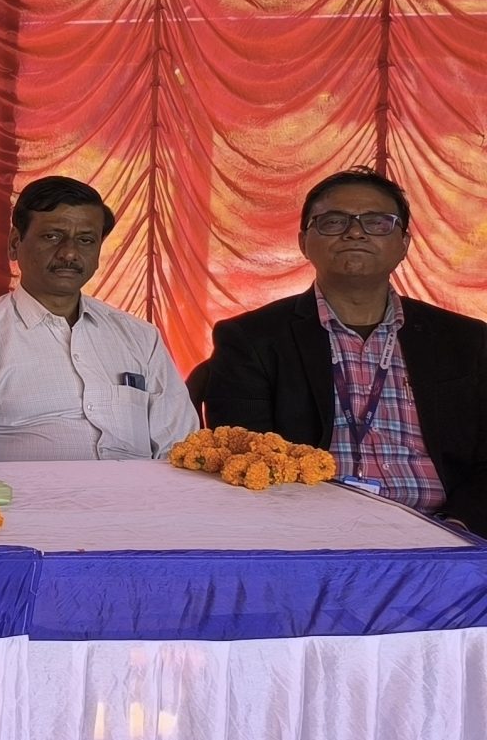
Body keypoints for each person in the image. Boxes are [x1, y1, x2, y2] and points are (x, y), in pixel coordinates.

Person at [208, 168, 485, 525]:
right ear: (303, 242)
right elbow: (247, 458)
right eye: (333, 222)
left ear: (404, 243)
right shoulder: (250, 339)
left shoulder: (466, 340)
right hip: (310, 530)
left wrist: (458, 527)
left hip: (445, 530)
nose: (355, 232)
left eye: (377, 222)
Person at [0, 177, 197, 460]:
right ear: (14, 243)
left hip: (139, 489)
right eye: (52, 236)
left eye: (86, 240)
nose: (69, 253)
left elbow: (181, 449)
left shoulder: (141, 338)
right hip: (25, 491)